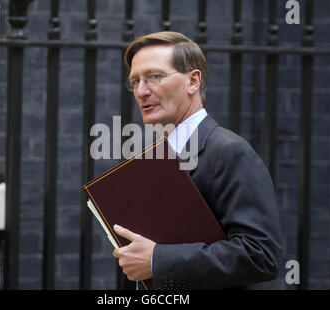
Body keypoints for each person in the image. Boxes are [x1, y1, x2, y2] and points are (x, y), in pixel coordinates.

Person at [112, 31, 282, 290]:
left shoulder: (229, 152)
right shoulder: (153, 157)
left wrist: (158, 260)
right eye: (135, 81)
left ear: (193, 81)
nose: (142, 91)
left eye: (154, 76)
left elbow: (261, 255)